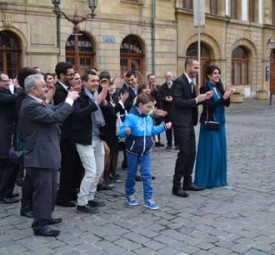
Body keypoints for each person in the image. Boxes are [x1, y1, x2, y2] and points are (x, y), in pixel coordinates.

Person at [18, 74, 79, 237]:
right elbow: (56, 117)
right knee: (44, 192)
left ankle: (46, 216)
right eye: (43, 86)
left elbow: (54, 110)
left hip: (46, 155)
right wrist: (70, 100)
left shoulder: (37, 103)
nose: (47, 88)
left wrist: (66, 100)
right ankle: (40, 225)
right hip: (40, 156)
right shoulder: (31, 105)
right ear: (33, 89)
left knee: (50, 190)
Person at [119, 93, 172, 210]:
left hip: (146, 152)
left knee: (146, 175)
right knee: (131, 174)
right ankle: (130, 194)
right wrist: (125, 131)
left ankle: (148, 198)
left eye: (151, 107)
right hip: (132, 152)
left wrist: (164, 127)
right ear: (140, 105)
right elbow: (121, 132)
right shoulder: (131, 117)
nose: (150, 109)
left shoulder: (148, 118)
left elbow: (151, 131)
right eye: (148, 107)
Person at [171, 58, 212, 198]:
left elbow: (192, 102)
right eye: (195, 68)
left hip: (188, 123)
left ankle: (187, 182)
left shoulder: (191, 82)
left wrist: (202, 98)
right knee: (184, 154)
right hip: (181, 123)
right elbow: (177, 102)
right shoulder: (178, 82)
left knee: (192, 153)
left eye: (198, 68)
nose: (197, 70)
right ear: (188, 67)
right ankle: (176, 186)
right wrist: (197, 100)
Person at [71, 70, 108, 214]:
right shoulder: (78, 96)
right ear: (84, 82)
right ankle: (81, 202)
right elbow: (77, 115)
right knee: (91, 171)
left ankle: (90, 197)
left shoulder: (96, 95)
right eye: (92, 81)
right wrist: (96, 103)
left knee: (99, 170)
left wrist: (103, 102)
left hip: (98, 137)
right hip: (84, 139)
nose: (96, 83)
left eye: (97, 81)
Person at [194, 65, 235, 188]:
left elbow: (226, 104)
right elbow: (209, 107)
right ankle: (207, 180)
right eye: (215, 73)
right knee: (212, 151)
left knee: (219, 152)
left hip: (221, 122)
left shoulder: (219, 86)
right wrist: (223, 98)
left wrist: (228, 96)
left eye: (219, 73)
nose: (218, 75)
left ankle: (218, 178)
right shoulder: (205, 87)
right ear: (209, 75)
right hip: (210, 123)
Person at [53, 62, 78, 207]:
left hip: (71, 133)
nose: (73, 76)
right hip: (64, 133)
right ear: (62, 75)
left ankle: (70, 192)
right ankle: (62, 196)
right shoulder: (58, 91)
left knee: (72, 165)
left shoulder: (68, 88)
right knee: (67, 166)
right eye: (70, 74)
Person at [0, 72, 19, 204]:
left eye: (8, 81)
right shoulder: (3, 94)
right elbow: (12, 100)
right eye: (4, 81)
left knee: (10, 163)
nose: (8, 83)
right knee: (5, 164)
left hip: (8, 131)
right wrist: (19, 89)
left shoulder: (6, 91)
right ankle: (3, 194)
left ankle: (8, 191)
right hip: (3, 134)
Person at [158, 71, 178, 150]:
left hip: (176, 110)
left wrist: (173, 99)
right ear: (165, 78)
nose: (168, 78)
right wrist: (165, 99)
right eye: (167, 77)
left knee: (176, 128)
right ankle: (169, 143)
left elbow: (180, 96)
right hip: (167, 111)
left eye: (169, 76)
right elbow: (159, 97)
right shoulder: (162, 87)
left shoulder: (177, 86)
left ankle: (177, 144)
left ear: (172, 77)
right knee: (168, 128)